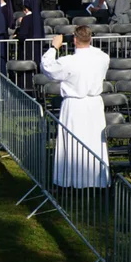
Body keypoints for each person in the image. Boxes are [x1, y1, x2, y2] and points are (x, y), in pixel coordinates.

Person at [40, 26, 110, 187]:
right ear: (90, 39)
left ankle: (71, 181)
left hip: (75, 105)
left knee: (73, 142)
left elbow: (47, 67)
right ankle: (95, 181)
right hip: (93, 104)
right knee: (92, 141)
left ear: (74, 40)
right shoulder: (102, 57)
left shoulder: (68, 62)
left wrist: (53, 47)